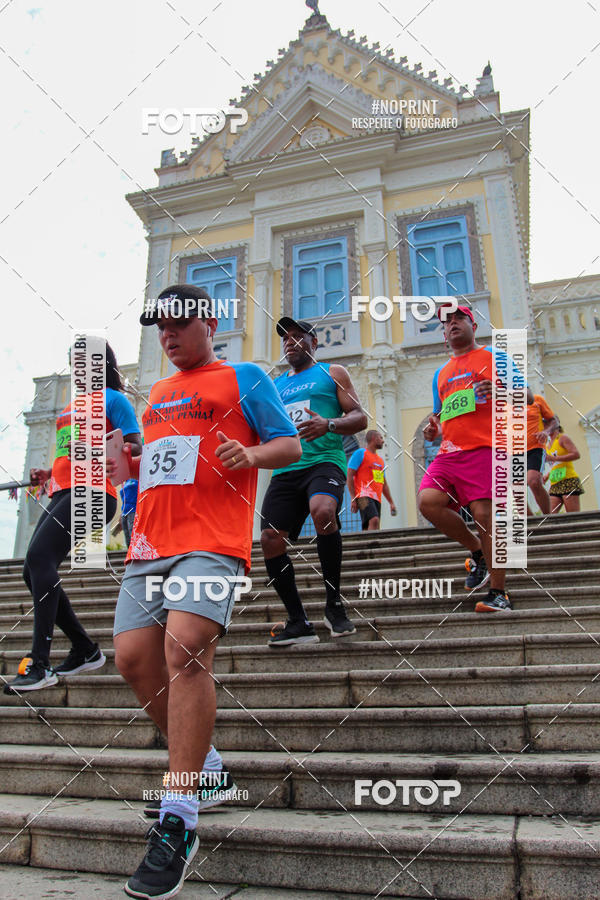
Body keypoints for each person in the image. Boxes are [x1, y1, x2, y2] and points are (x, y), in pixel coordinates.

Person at [112, 285, 300, 899]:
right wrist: (127, 472)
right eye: (159, 327)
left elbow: (289, 444)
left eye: (177, 322)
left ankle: (179, 818)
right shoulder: (158, 394)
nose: (167, 335)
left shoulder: (244, 375)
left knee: (186, 649)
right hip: (149, 543)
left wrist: (248, 452)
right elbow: (163, 467)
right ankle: (207, 767)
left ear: (208, 321)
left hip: (211, 540)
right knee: (135, 660)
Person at [3, 343, 141, 694]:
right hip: (65, 489)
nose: (79, 371)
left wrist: (119, 451)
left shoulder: (114, 400)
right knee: (29, 569)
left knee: (38, 558)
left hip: (95, 492)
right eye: (73, 364)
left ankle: (40, 663)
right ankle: (85, 648)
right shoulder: (71, 407)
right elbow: (71, 453)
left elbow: (136, 446)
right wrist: (47, 471)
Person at [418, 305, 533, 613]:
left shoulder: (494, 356)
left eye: (459, 318)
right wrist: (433, 431)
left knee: (484, 515)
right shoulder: (440, 373)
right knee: (428, 502)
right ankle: (477, 551)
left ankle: (499, 593)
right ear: (444, 333)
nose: (453, 324)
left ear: (473, 324)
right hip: (449, 453)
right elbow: (440, 415)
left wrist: (499, 390)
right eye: (448, 322)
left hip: (487, 448)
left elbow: (529, 396)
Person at [261, 316, 368, 646]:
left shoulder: (332, 373)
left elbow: (360, 417)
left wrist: (329, 424)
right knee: (268, 538)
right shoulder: (275, 385)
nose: (290, 342)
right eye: (285, 338)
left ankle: (334, 605)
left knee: (323, 511)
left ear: (314, 342)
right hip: (287, 469)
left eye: (298, 336)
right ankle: (298, 620)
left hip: (325, 462)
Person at [347, 430, 397, 530]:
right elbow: (349, 475)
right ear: (374, 438)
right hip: (362, 496)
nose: (383, 441)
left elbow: (383, 484)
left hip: (376, 498)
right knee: (374, 520)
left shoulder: (380, 461)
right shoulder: (360, 453)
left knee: (372, 525)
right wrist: (353, 498)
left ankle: (369, 544)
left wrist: (391, 503)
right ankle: (372, 545)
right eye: (381, 438)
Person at [526, 392, 558, 515]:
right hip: (512, 451)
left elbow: (553, 420)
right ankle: (532, 525)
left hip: (535, 447)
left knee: (533, 481)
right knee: (518, 491)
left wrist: (546, 432)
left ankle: (548, 518)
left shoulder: (537, 399)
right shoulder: (502, 402)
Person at [544, 422, 585, 513]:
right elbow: (557, 464)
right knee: (548, 515)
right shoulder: (548, 445)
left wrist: (554, 458)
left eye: (545, 424)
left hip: (568, 481)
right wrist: (547, 476)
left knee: (573, 517)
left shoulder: (562, 438)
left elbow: (576, 454)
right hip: (555, 483)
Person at [120, 477, 139, 548]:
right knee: (126, 534)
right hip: (124, 512)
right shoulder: (125, 482)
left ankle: (135, 552)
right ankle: (129, 553)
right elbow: (124, 500)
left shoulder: (136, 479)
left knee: (132, 532)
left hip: (133, 510)